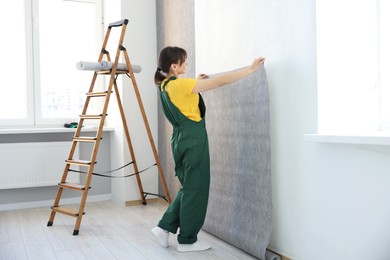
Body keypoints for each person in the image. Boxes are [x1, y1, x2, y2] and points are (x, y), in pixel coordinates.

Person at [151, 46, 265, 252]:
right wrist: (250, 69)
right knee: (197, 189)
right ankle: (187, 240)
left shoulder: (166, 85)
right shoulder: (180, 85)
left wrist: (196, 80)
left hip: (180, 139)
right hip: (194, 139)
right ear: (174, 66)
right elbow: (220, 82)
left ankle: (164, 227)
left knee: (189, 187)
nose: (186, 64)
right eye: (183, 62)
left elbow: (184, 100)